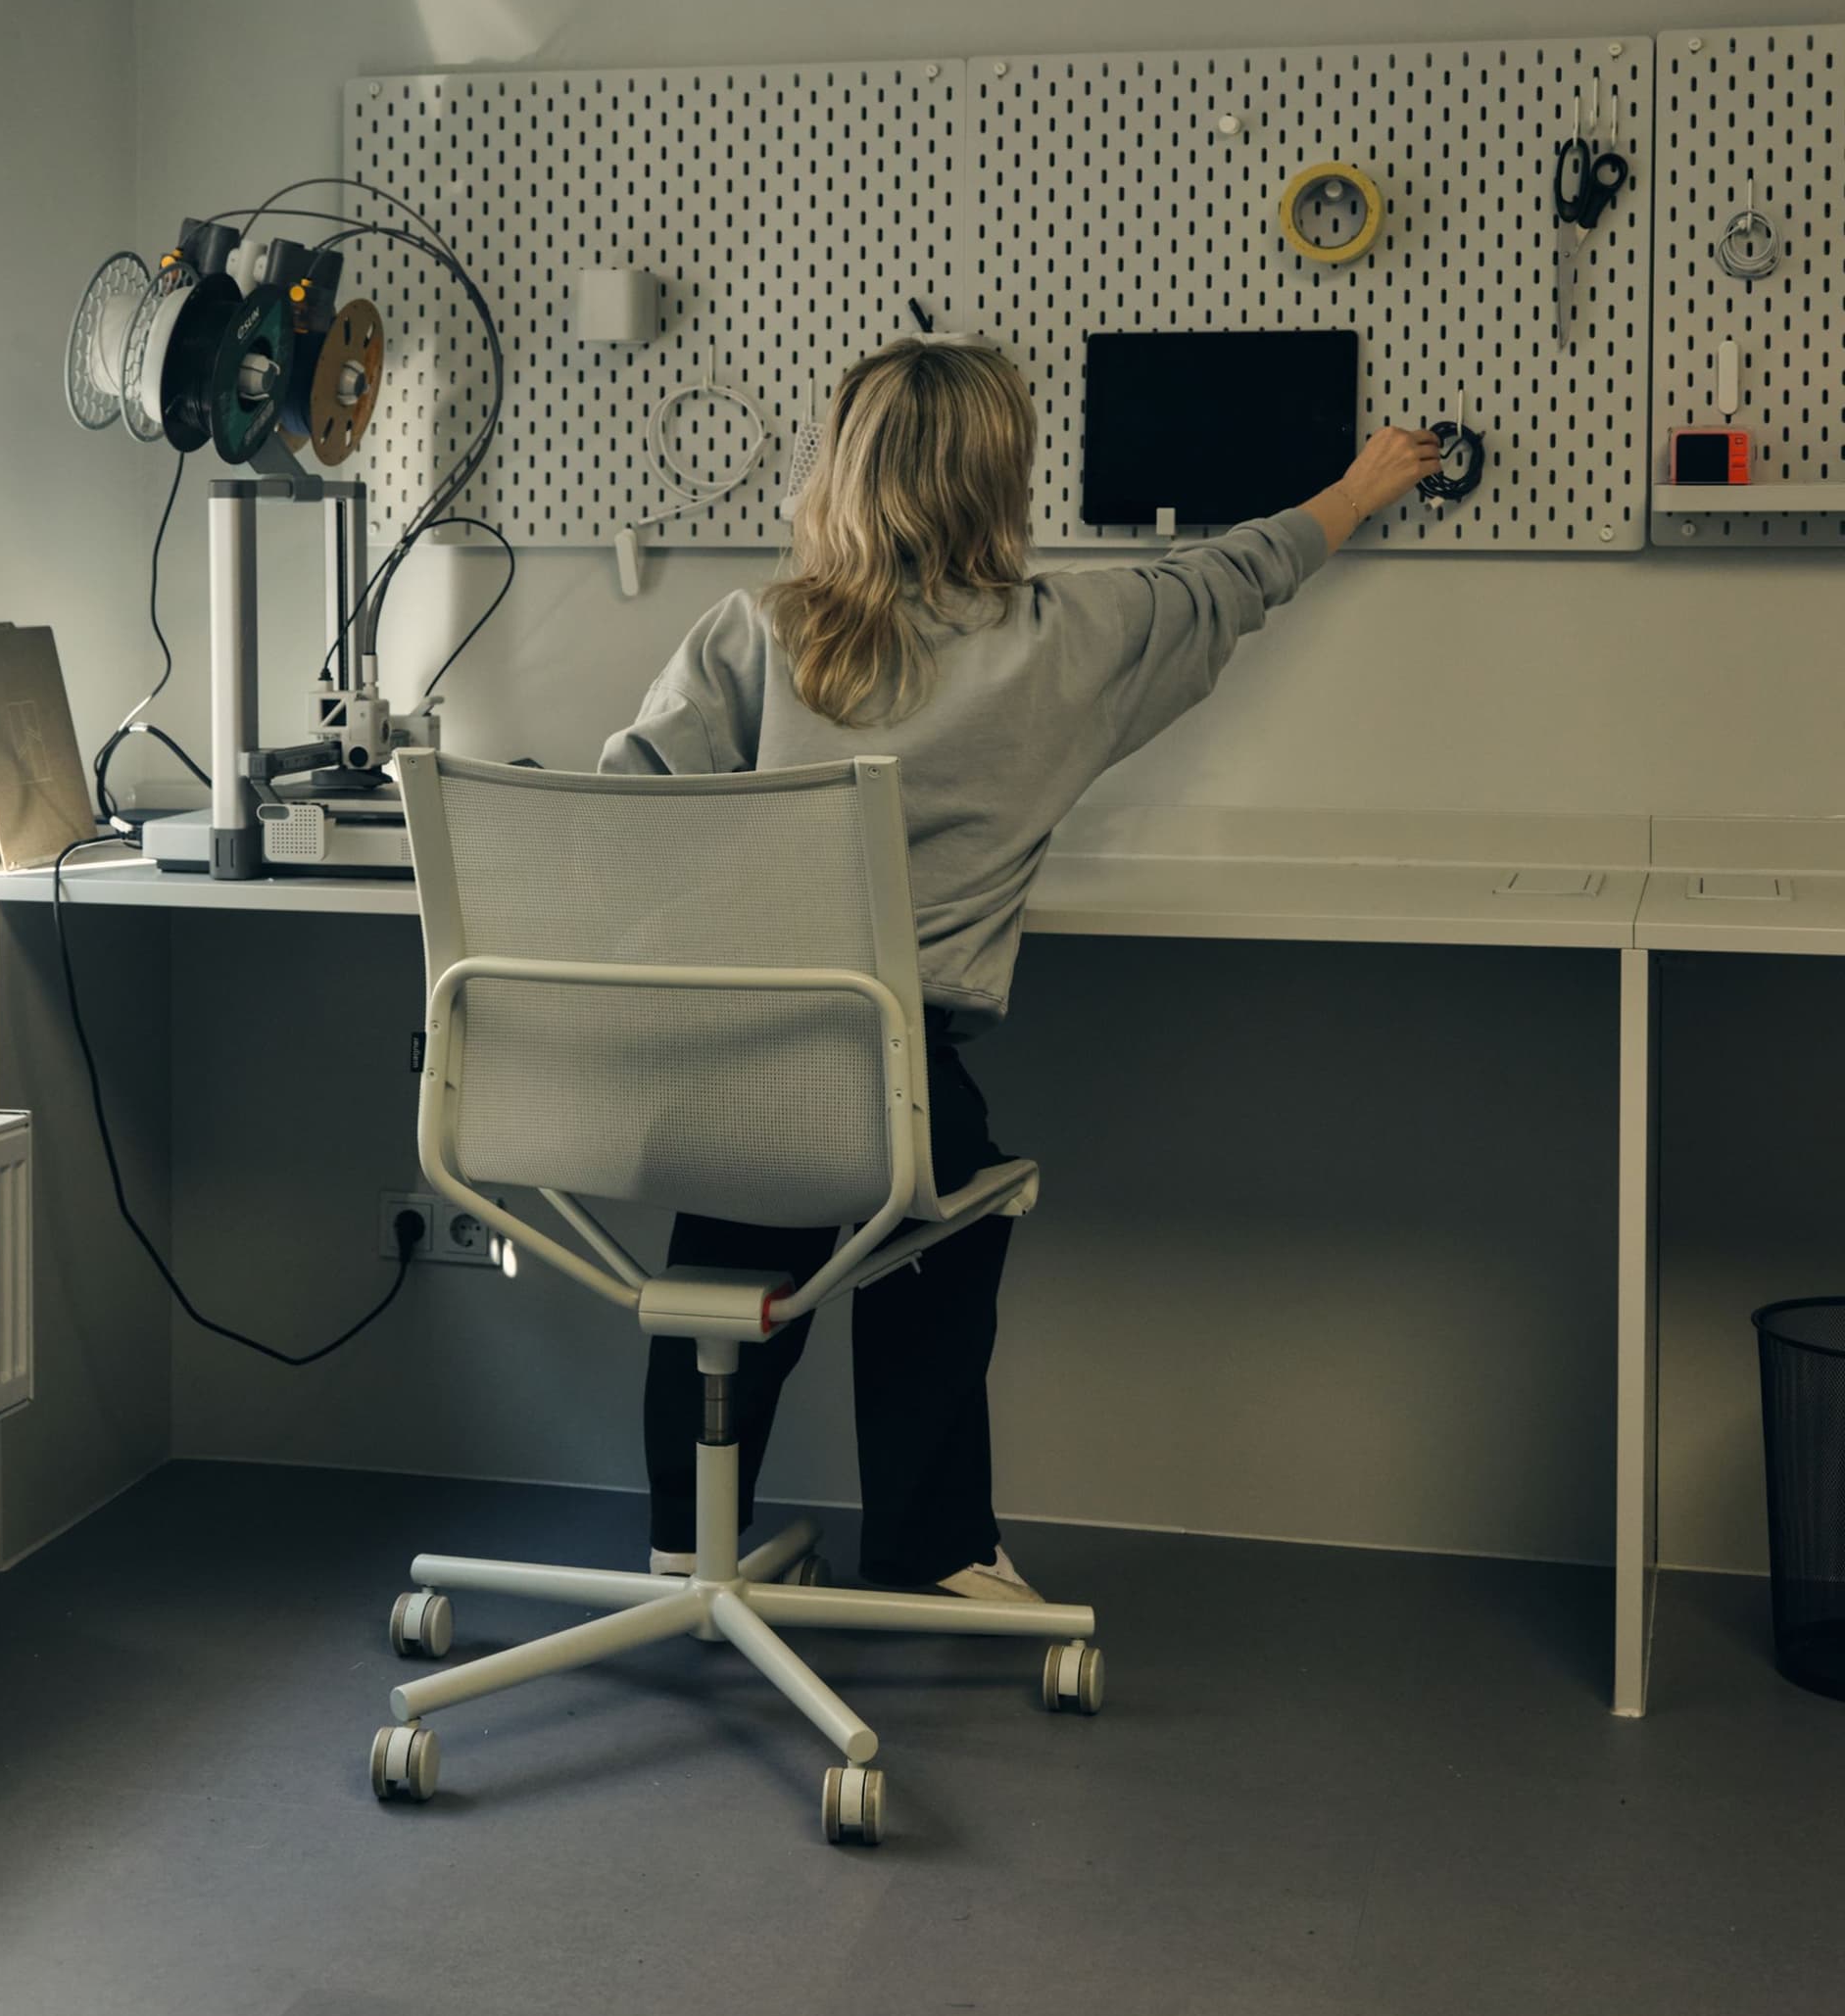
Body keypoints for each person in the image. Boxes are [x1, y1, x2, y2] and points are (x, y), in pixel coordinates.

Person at [599, 338, 1439, 1603]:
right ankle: (934, 1548)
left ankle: (686, 1533)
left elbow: (620, 819)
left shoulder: (756, 631)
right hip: (892, 1084)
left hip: (724, 1071)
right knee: (949, 1193)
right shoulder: (1065, 638)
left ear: (841, 468)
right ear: (1004, 484)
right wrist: (1357, 490)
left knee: (739, 1230)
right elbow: (1228, 578)